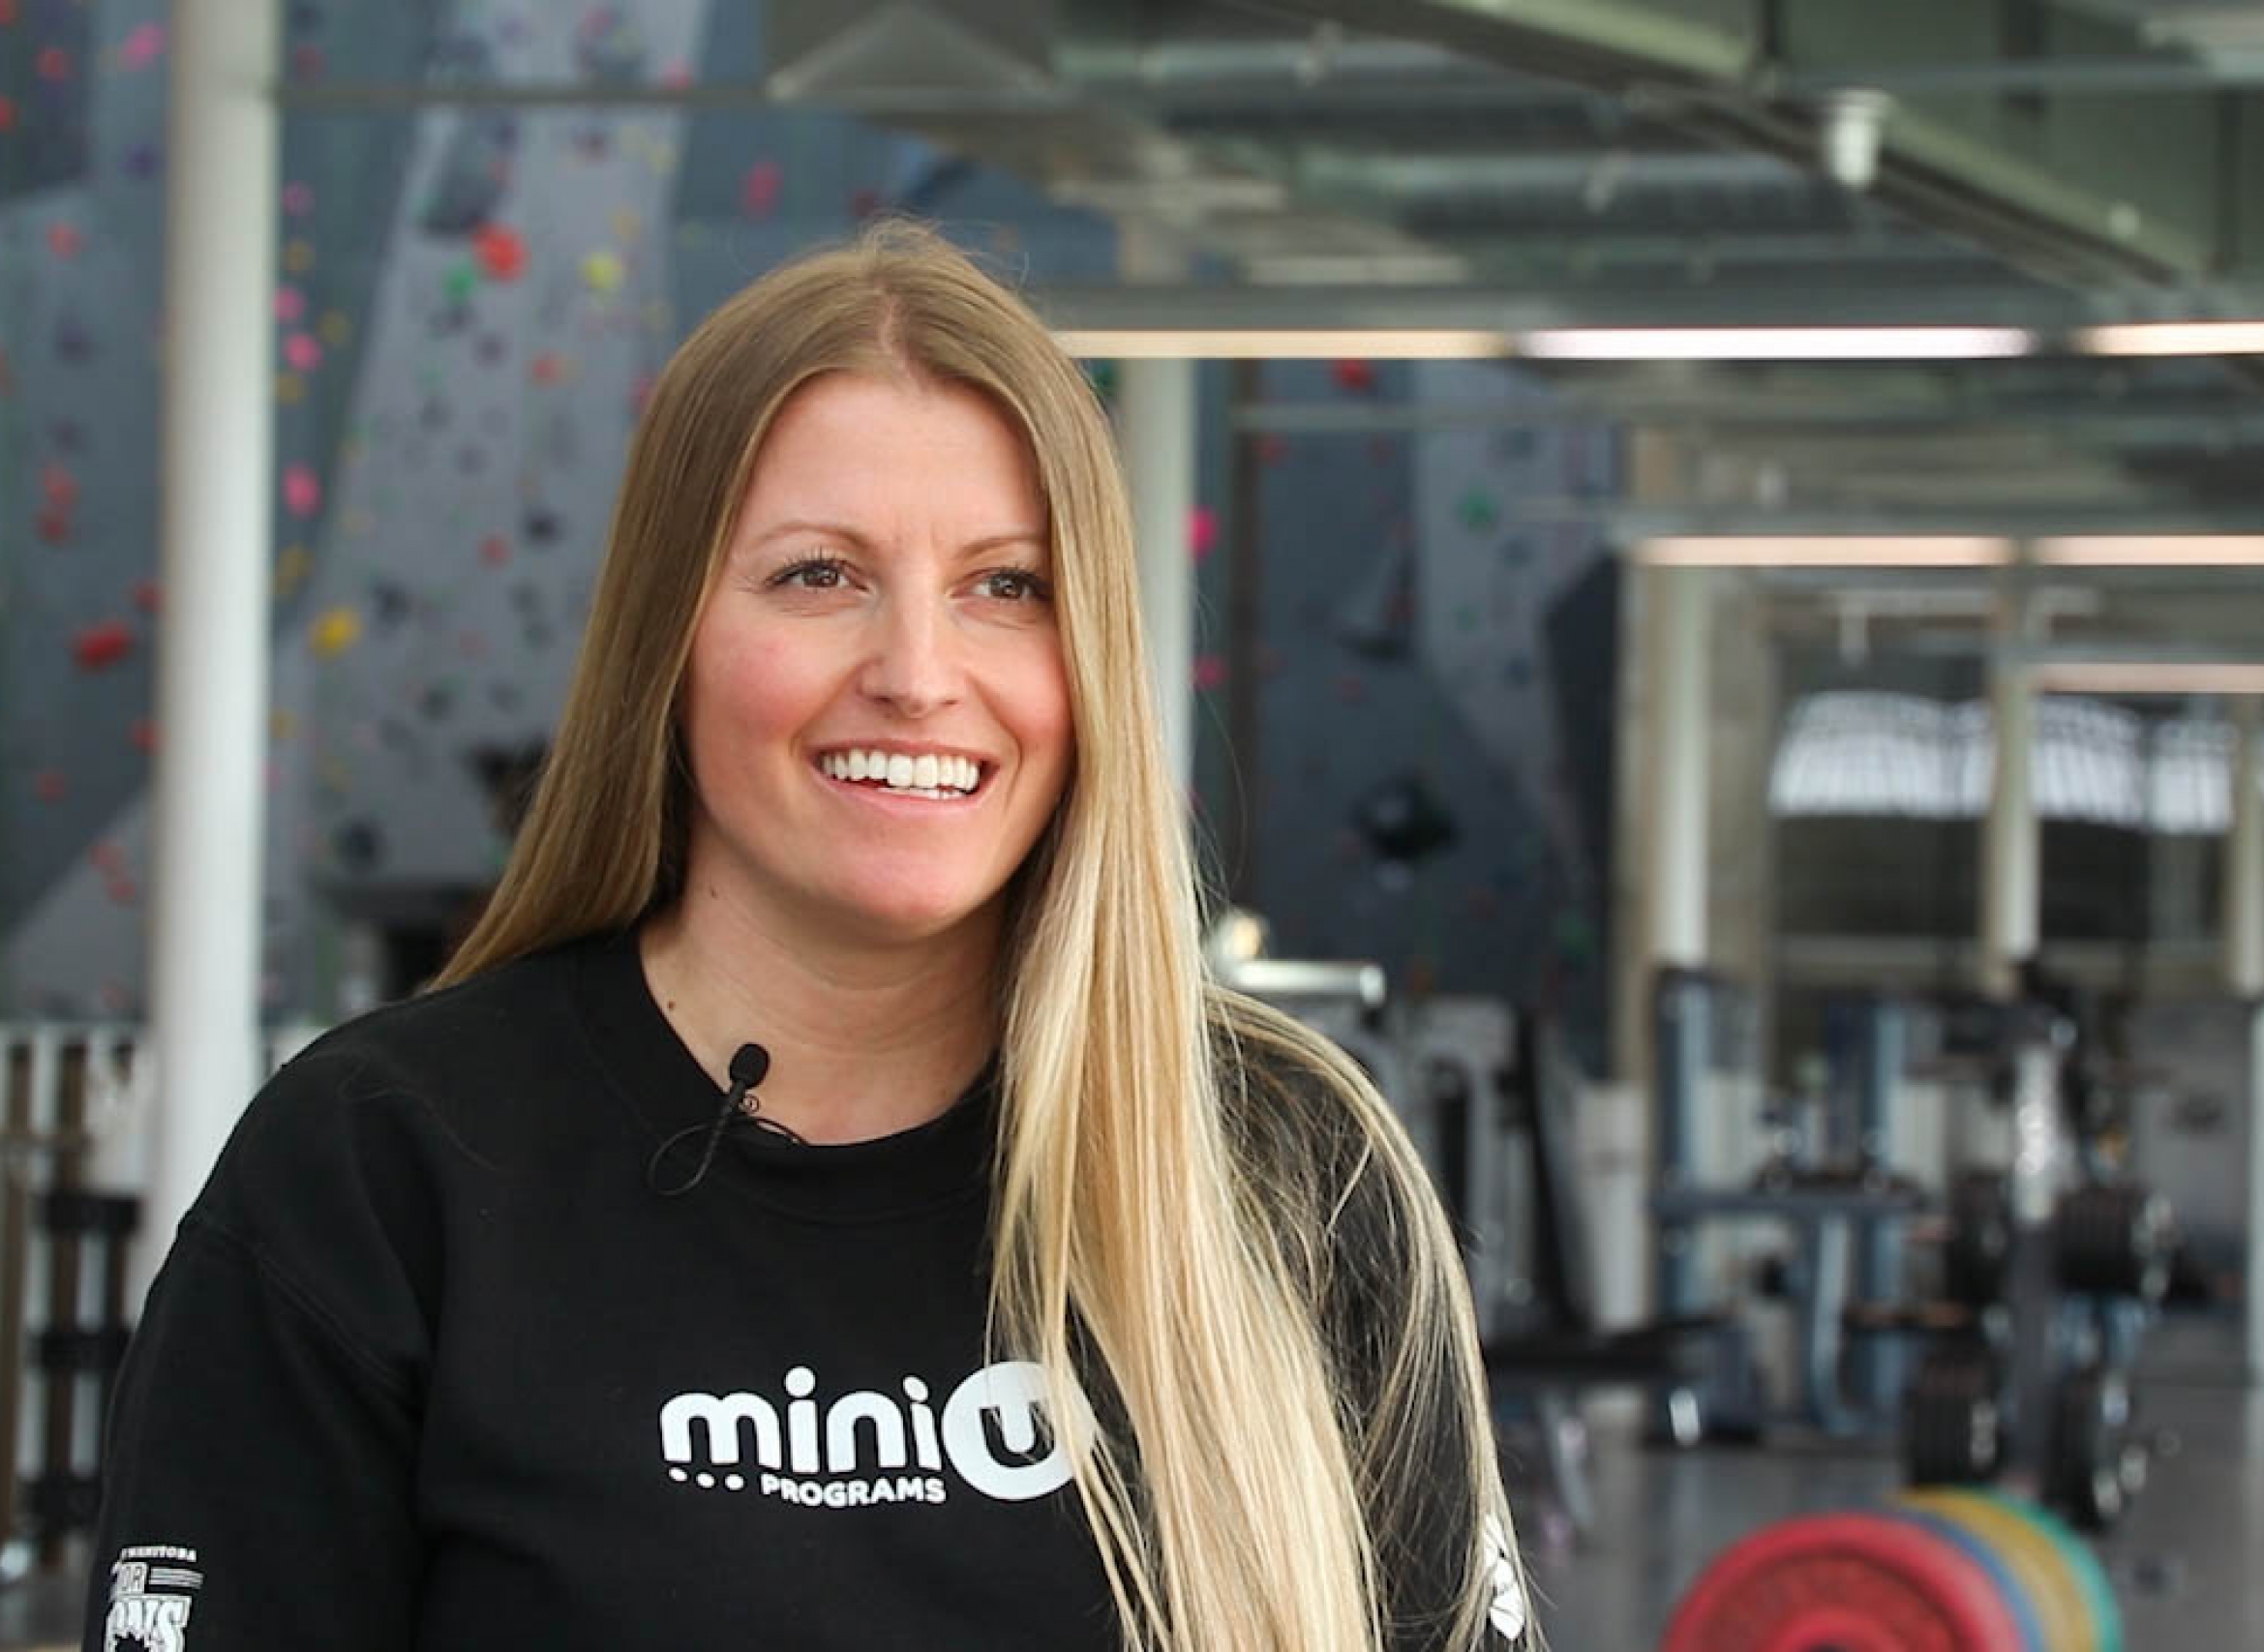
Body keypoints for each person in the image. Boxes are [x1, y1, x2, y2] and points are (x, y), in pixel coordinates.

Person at [86, 221, 1534, 1652]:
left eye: (1005, 586)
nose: (917, 675)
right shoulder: (383, 1171)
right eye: (816, 576)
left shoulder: (1289, 1166)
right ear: (670, 641)